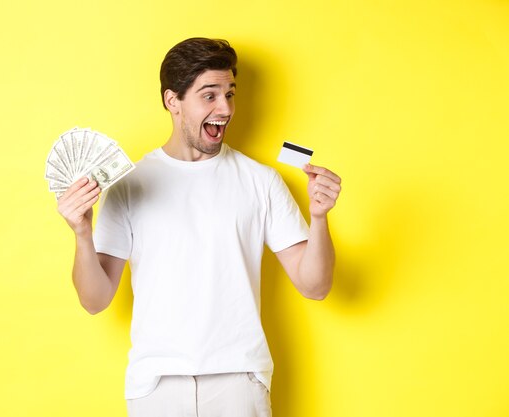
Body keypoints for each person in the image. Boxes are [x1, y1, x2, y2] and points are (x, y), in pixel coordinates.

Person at [56, 37, 342, 417]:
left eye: (230, 94)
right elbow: (95, 300)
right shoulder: (129, 183)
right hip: (157, 383)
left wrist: (320, 218)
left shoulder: (261, 181)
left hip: (239, 378)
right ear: (172, 101)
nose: (225, 108)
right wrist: (81, 233)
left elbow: (315, 286)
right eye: (209, 95)